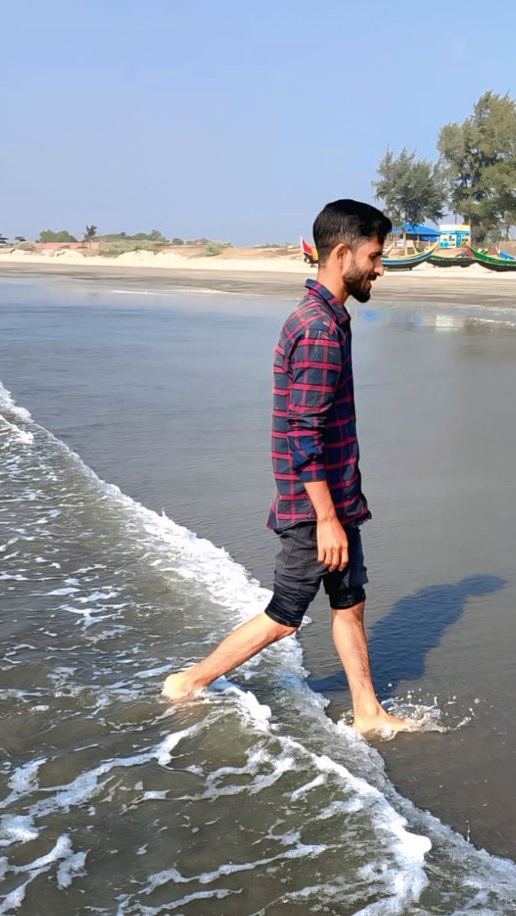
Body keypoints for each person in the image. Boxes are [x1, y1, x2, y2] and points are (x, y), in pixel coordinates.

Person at [162, 198, 413, 737]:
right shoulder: (319, 329)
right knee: (285, 616)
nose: (380, 267)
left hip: (337, 500)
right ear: (342, 252)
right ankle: (188, 683)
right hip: (315, 507)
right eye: (374, 255)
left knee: (350, 603)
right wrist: (325, 517)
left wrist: (338, 510)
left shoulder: (324, 317)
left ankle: (368, 712)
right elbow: (303, 434)